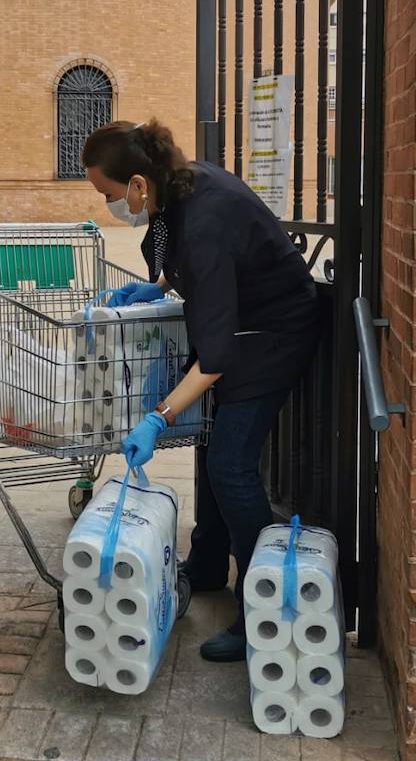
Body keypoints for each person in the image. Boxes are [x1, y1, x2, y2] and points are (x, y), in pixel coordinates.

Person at [82, 119, 321, 662]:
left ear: (140, 183)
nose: (108, 203)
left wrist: (159, 416)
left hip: (274, 333)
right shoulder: (181, 188)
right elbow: (199, 267)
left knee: (230, 465)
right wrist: (160, 285)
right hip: (244, 322)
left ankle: (263, 607)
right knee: (213, 446)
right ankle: (209, 564)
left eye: (110, 194)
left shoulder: (202, 223)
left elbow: (214, 359)